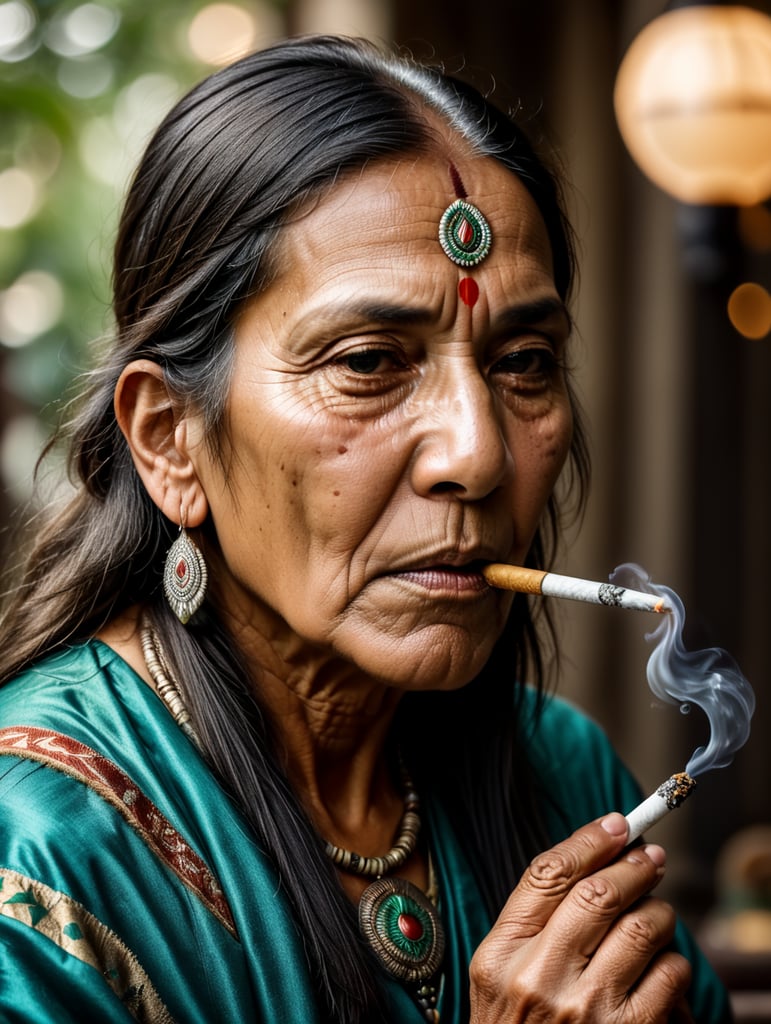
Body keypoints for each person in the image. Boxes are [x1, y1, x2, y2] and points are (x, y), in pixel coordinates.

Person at [0, 34, 730, 1024]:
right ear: (170, 440)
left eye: (523, 363)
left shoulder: (565, 777)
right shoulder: (41, 852)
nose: (474, 454)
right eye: (370, 362)